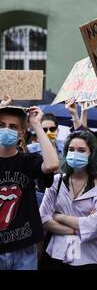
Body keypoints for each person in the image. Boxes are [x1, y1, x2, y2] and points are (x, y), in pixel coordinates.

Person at [39, 131, 97, 270]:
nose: (75, 153)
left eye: (81, 150)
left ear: (91, 154)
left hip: (90, 258)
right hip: (56, 255)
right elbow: (43, 218)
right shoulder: (57, 181)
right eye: (71, 149)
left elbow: (96, 227)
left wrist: (58, 216)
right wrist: (76, 230)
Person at [0, 106, 59, 270]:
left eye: (13, 127)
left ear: (22, 133)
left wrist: (37, 125)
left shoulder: (28, 161)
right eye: (1, 125)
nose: (6, 130)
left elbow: (52, 164)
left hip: (23, 248)